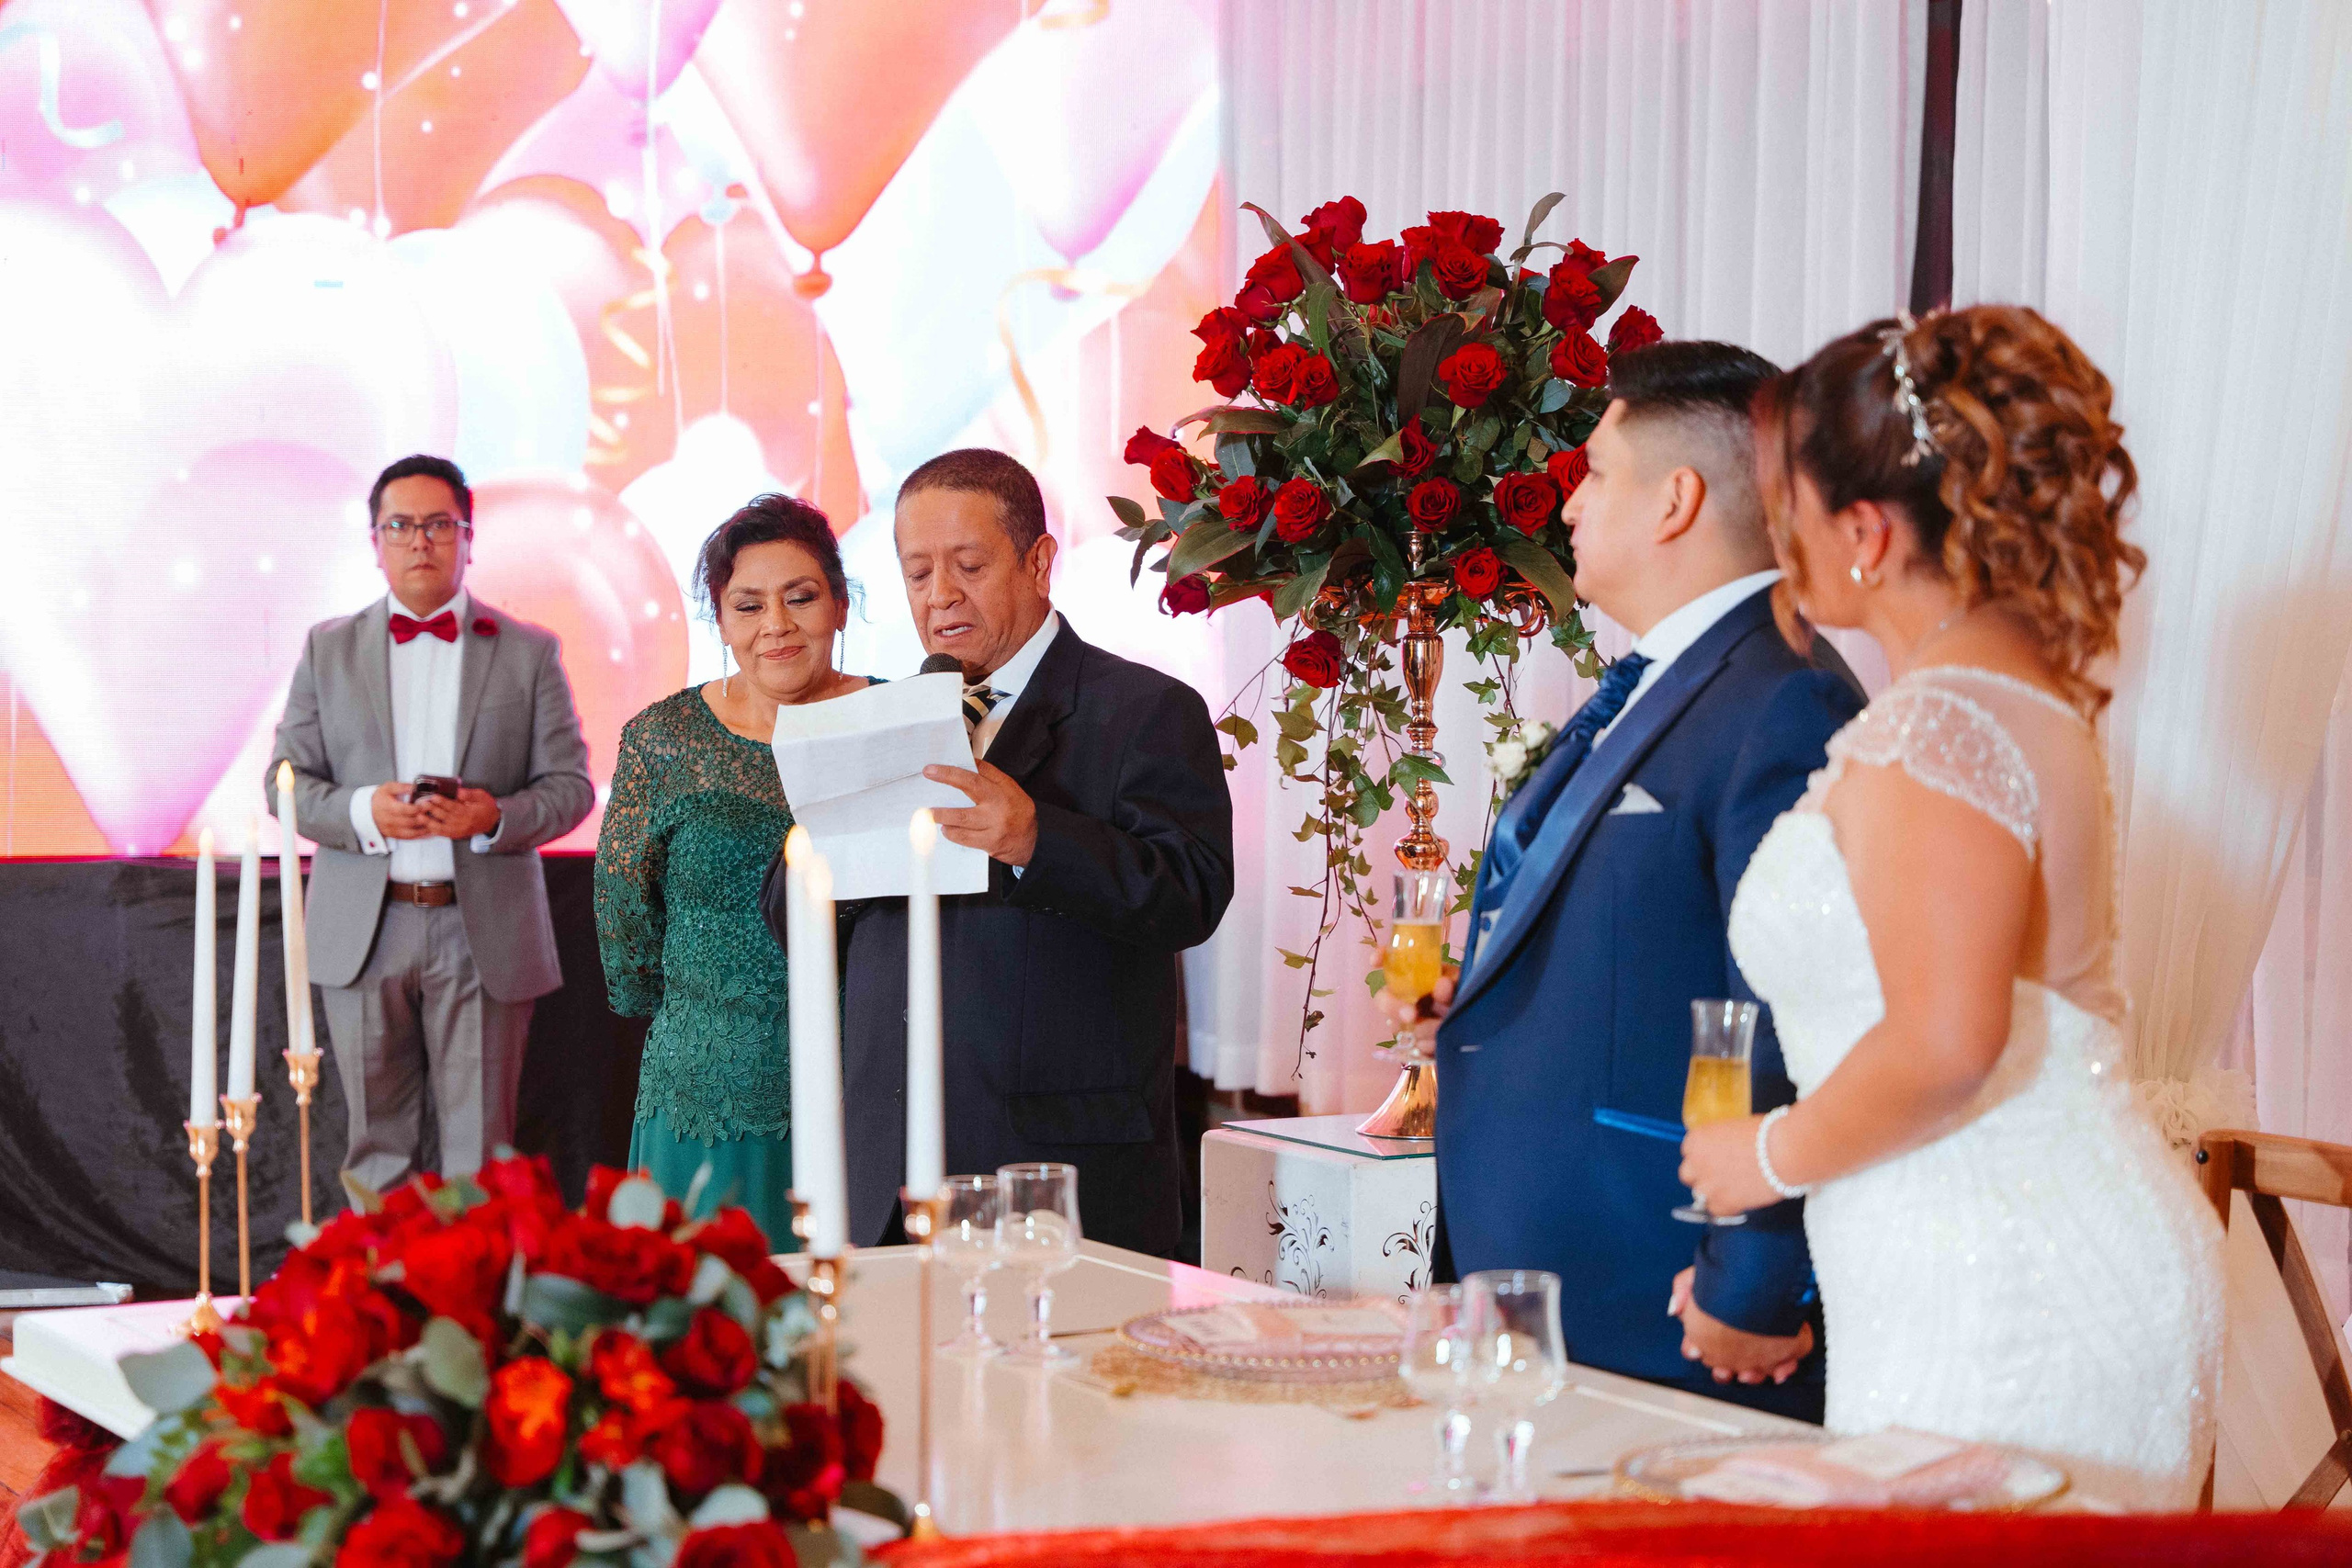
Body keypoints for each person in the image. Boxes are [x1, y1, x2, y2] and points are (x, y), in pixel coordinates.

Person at [1680, 306, 2223, 1506]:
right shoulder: (2006, 696)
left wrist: (1759, 1157)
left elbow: (1943, 1040)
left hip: (2001, 1284)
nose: (1779, 539)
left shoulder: (1938, 724)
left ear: (1865, 530)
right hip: (1996, 1245)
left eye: (1788, 506)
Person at [1390, 343, 1864, 1422]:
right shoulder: (1663, 679)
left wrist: (1753, 1276)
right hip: (1555, 1262)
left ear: (1675, 500)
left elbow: (1783, 1008)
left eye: (1594, 473)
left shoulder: (1783, 699)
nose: (1566, 503)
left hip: (1662, 1279)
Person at [761, 448, 1233, 1256]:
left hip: (1053, 1173)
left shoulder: (1144, 709)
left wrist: (1037, 839)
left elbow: (1191, 891)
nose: (940, 594)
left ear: (1039, 562)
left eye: (968, 566)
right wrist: (826, 844)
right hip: (879, 1175)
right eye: (917, 574)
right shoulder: (877, 719)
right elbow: (792, 919)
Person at [271, 454, 593, 1193]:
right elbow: (283, 784)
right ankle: (377, 1274)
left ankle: (476, 1276)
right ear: (375, 541)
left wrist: (493, 815)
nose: (420, 540)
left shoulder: (529, 651)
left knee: (482, 1157)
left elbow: (571, 788)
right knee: (375, 1154)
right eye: (401, 525)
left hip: (482, 929)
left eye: (439, 524)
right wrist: (365, 811)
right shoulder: (328, 648)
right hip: (365, 926)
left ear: (469, 539)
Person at [595, 495, 874, 1245]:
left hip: (870, 1089)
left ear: (841, 604)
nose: (775, 624)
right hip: (704, 1095)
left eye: (800, 597)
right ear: (721, 621)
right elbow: (625, 930)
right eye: (748, 605)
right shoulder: (662, 738)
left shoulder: (897, 720)